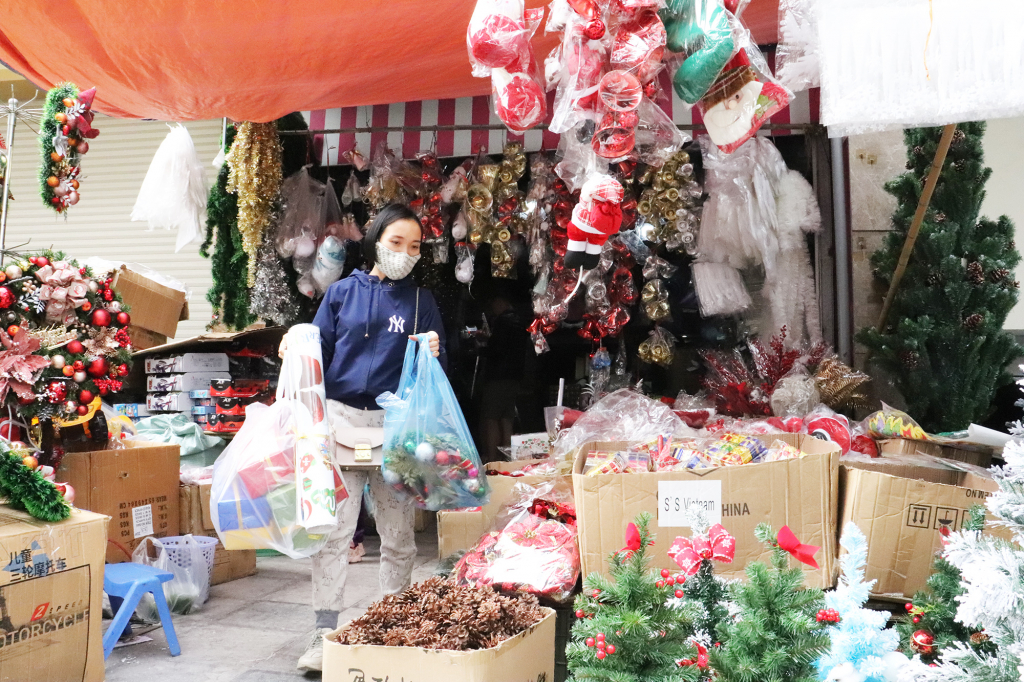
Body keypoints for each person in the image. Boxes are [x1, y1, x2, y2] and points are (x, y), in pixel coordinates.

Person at [287, 204, 445, 672]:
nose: (405, 254)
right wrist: (294, 342)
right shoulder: (339, 295)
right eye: (396, 243)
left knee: (398, 535)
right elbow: (316, 353)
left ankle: (390, 623)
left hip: (393, 427)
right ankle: (322, 633)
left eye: (415, 247)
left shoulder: (421, 302)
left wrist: (434, 351)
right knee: (334, 533)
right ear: (376, 240)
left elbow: (434, 374)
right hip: (337, 422)